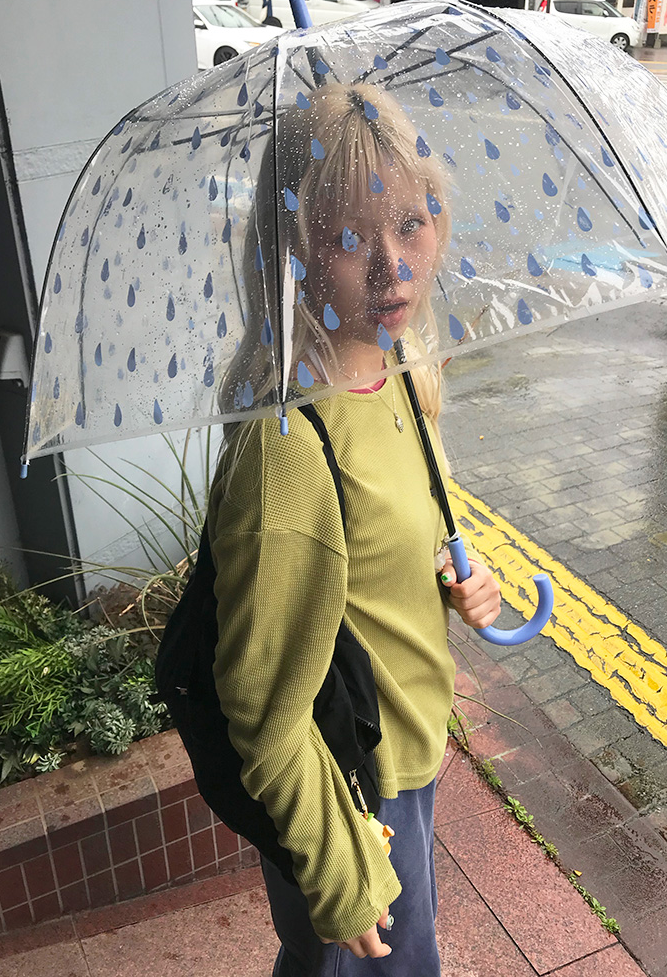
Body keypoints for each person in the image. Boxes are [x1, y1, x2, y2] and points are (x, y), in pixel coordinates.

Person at [210, 82, 501, 975]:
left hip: (407, 752)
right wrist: (338, 872)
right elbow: (261, 706)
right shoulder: (290, 449)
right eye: (348, 238)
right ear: (294, 252)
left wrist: (459, 575)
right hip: (349, 795)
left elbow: (394, 537)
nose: (392, 269)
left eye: (410, 224)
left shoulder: (401, 373)